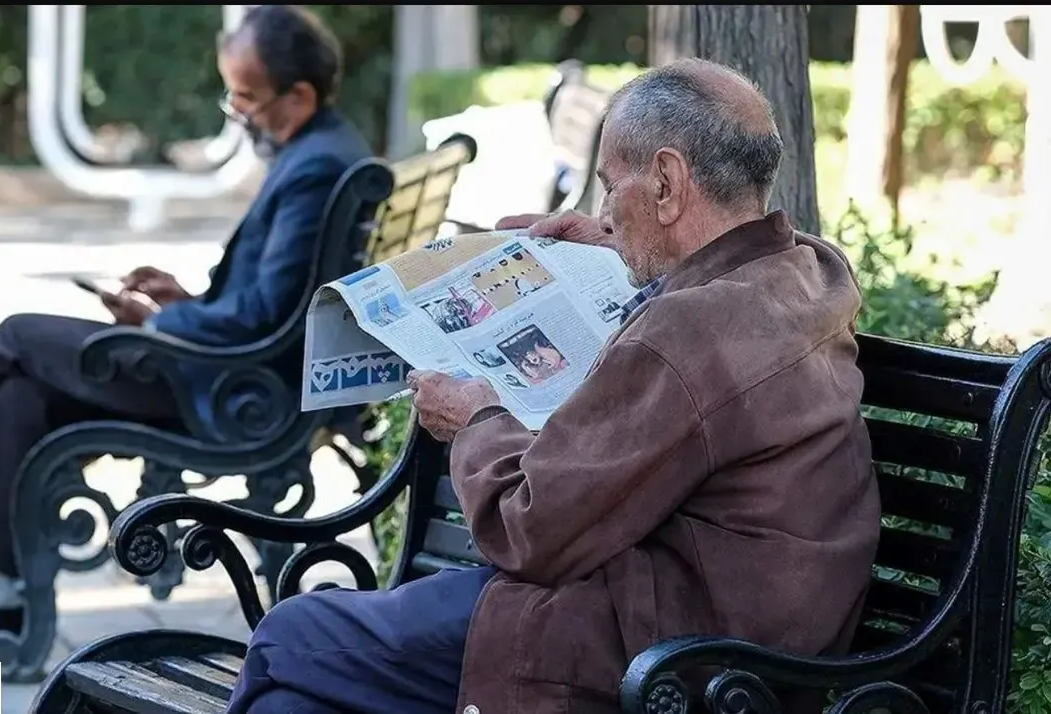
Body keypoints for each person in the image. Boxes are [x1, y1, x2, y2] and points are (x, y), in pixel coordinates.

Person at [223, 58, 881, 714]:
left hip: (661, 655)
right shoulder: (808, 271)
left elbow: (528, 528)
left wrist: (477, 418)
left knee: (289, 637)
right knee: (291, 707)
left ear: (667, 182)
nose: (604, 212)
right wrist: (619, 244)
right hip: (731, 631)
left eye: (610, 187)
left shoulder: (689, 333)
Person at [0, 5, 370, 654]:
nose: (237, 114)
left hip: (229, 390)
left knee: (17, 337)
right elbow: (271, 301)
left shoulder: (316, 167)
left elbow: (260, 317)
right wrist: (186, 298)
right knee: (21, 399)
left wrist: (160, 321)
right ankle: (4, 601)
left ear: (299, 96)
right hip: (238, 374)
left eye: (245, 97)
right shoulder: (324, 149)